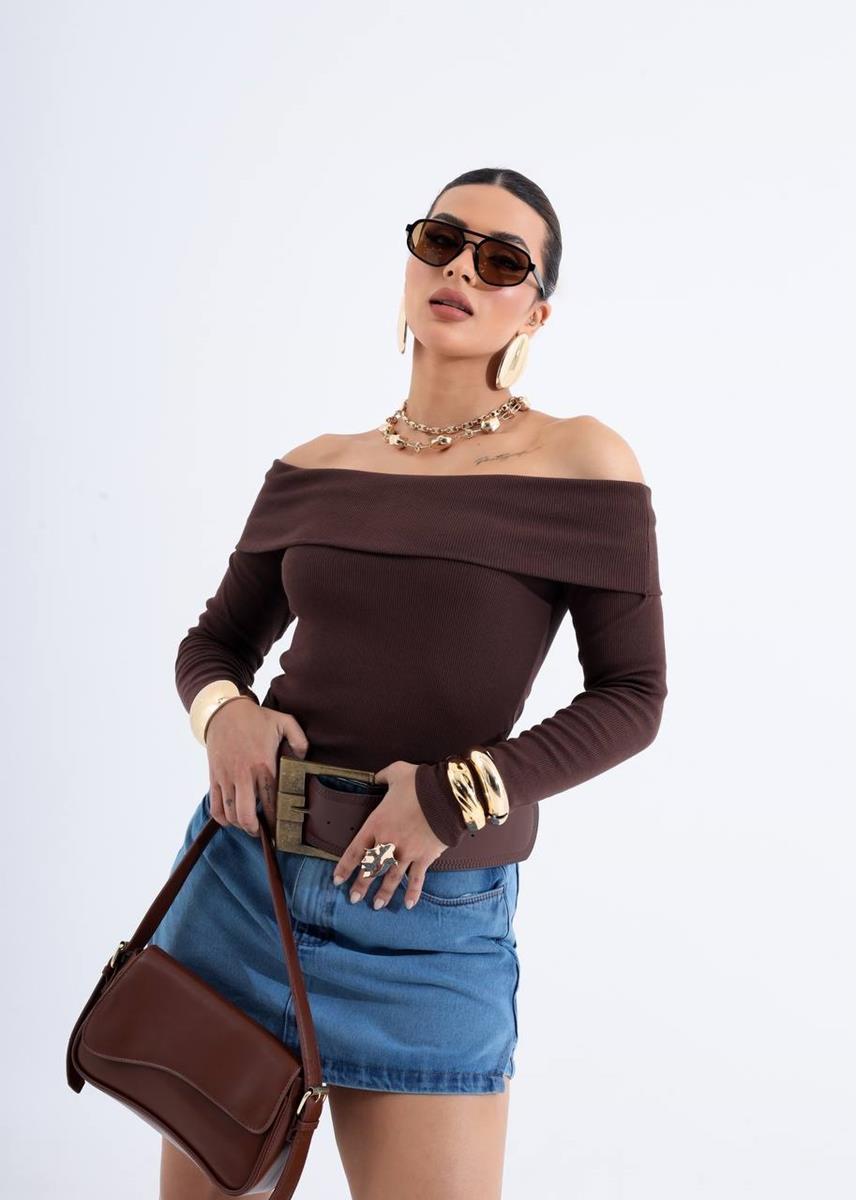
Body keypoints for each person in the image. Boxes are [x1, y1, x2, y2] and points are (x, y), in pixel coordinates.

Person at [153, 166, 668, 1200]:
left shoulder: (580, 461)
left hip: (427, 916)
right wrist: (225, 713)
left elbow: (633, 695)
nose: (463, 269)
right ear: (411, 261)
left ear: (536, 309)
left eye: (502, 260)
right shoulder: (315, 464)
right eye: (442, 240)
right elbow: (214, 644)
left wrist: (452, 795)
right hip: (246, 885)